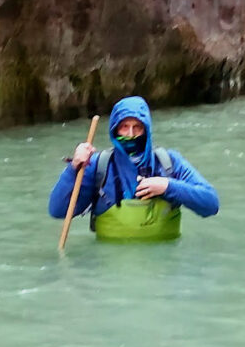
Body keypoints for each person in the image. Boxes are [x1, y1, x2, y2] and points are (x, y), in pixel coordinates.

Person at [48, 95, 219, 239]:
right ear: (115, 130)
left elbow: (211, 204)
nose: (130, 134)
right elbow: (57, 210)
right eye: (124, 127)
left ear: (147, 130)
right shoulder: (98, 165)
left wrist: (168, 186)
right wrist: (74, 168)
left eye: (137, 127)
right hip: (111, 271)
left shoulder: (169, 162)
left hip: (162, 274)